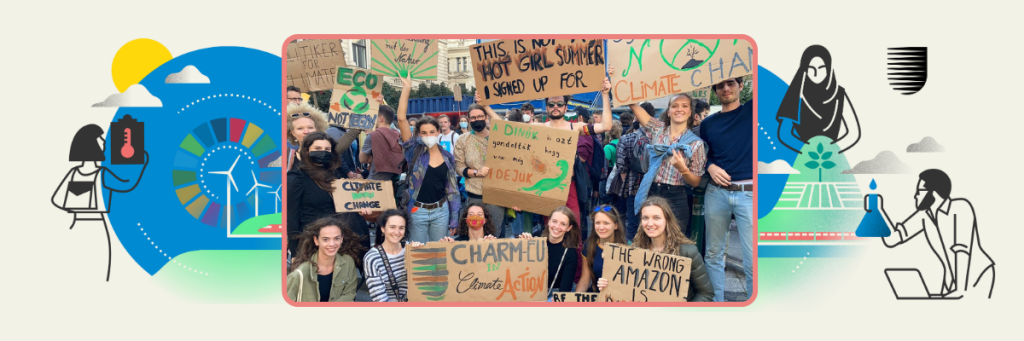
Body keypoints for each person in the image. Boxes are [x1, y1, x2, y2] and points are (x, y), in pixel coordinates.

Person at [52, 123, 149, 281]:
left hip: (75, 225)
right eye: (100, 140)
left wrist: (75, 208)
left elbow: (57, 200)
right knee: (96, 272)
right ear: (92, 145)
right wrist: (142, 165)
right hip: (96, 227)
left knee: (74, 271)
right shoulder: (102, 174)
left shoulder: (73, 173)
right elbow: (127, 185)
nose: (104, 144)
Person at [881, 170, 995, 298]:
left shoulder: (960, 208)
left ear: (933, 193)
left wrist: (959, 291)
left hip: (977, 278)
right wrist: (877, 212)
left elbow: (962, 251)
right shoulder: (924, 216)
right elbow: (892, 240)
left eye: (919, 191)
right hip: (951, 283)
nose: (915, 196)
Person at [597, 197, 714, 302]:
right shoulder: (634, 251)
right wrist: (608, 285)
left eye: (656, 218)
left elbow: (706, 293)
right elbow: (626, 291)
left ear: (667, 220)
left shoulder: (687, 252)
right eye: (645, 218)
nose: (650, 223)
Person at [625, 91, 707, 237]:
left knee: (673, 241)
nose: (679, 109)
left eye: (684, 106)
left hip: (676, 196)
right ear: (668, 112)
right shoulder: (658, 129)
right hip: (651, 191)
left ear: (690, 112)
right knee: (648, 238)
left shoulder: (696, 143)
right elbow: (634, 106)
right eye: (674, 106)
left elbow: (696, 181)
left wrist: (683, 170)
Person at [702, 77, 754, 302]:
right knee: (713, 254)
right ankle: (716, 305)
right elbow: (703, 155)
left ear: (741, 85)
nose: (726, 88)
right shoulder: (708, 124)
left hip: (750, 193)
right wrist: (710, 166)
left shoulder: (754, 111)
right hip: (716, 193)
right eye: (720, 85)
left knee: (754, 257)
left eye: (731, 83)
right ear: (714, 90)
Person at [395, 75, 461, 243]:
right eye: (424, 133)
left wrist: (454, 218)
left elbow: (452, 190)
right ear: (418, 134)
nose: (428, 136)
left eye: (432, 132)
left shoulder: (447, 157)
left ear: (439, 132)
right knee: (419, 254)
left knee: (439, 254)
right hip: (417, 210)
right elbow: (401, 119)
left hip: (441, 211)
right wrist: (407, 88)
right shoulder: (414, 150)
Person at [287, 132, 368, 260]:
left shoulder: (334, 173)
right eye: (317, 149)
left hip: (341, 240)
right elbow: (291, 217)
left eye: (327, 149)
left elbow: (343, 203)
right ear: (307, 151)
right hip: (315, 242)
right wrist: (295, 252)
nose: (323, 152)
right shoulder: (296, 178)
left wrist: (359, 208)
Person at [776, 45, 861, 154]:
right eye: (811, 68)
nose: (816, 73)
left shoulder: (839, 94)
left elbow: (854, 132)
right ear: (805, 69)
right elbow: (784, 134)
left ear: (829, 68)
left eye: (821, 67)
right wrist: (807, 152)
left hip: (833, 158)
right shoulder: (796, 95)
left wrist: (832, 151)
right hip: (803, 157)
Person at [454, 104, 507, 238]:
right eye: (473, 117)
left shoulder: (499, 137)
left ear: (486, 117)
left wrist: (486, 106)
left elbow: (505, 127)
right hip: (475, 196)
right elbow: (459, 167)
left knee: (494, 236)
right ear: (469, 119)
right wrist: (476, 172)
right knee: (474, 235)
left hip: (496, 196)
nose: (476, 119)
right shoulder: (463, 140)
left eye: (480, 116)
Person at [286, 216, 365, 302]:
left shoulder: (348, 262)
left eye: (336, 238)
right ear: (316, 240)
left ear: (342, 239)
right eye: (326, 239)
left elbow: (350, 293)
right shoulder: (299, 274)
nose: (332, 244)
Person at [517, 207, 581, 297]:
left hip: (553, 294)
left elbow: (564, 290)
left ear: (569, 228)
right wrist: (522, 244)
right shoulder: (536, 238)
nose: (557, 226)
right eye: (554, 221)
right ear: (549, 221)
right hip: (531, 289)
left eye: (563, 224)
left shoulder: (570, 253)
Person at [363, 209, 423, 302]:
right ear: (383, 228)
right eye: (392, 227)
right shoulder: (372, 258)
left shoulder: (410, 249)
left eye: (401, 228)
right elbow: (380, 300)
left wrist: (446, 245)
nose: (397, 232)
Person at [576, 205, 627, 293]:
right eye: (597, 223)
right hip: (596, 296)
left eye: (606, 223)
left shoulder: (627, 247)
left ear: (616, 226)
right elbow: (585, 281)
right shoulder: (589, 246)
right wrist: (574, 301)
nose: (601, 227)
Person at [616, 109, 646, 241]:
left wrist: (625, 184)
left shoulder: (625, 138)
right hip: (652, 187)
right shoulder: (656, 138)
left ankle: (630, 254)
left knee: (632, 223)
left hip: (632, 186)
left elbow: (621, 166)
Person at [280, 101, 328, 170]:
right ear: (293, 133)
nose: (306, 132)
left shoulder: (328, 152)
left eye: (310, 127)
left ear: (317, 129)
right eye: (300, 128)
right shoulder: (287, 156)